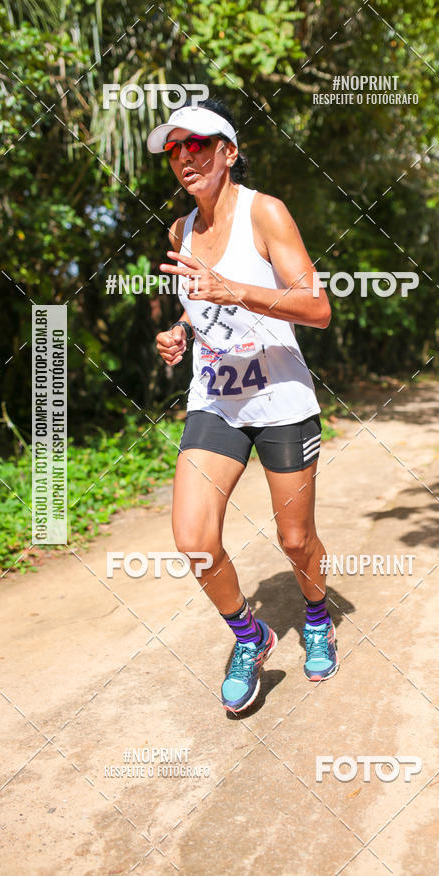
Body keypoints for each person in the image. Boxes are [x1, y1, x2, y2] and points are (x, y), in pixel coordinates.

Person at [148, 97, 338, 714]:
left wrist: (236, 290)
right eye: (174, 149)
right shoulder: (180, 231)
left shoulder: (266, 213)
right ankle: (249, 637)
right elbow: (200, 307)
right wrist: (181, 330)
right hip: (217, 399)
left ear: (229, 151)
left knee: (295, 539)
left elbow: (317, 308)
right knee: (194, 539)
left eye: (198, 144)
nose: (185, 157)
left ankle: (316, 617)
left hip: (280, 398)